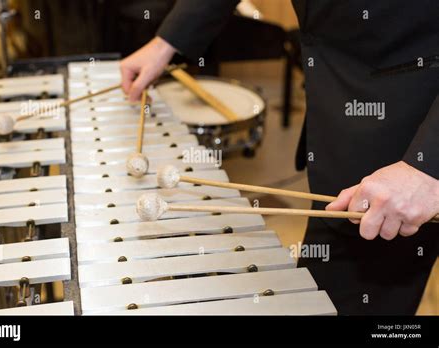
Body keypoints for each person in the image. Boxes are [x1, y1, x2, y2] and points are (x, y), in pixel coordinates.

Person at [119, 0, 439, 315]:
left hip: (408, 149)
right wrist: (168, 41)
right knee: (318, 300)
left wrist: (428, 168)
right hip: (338, 145)